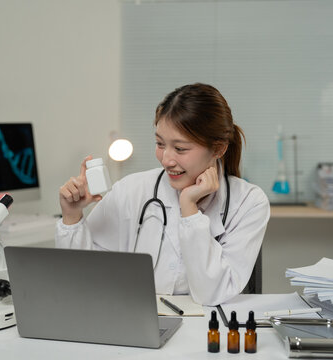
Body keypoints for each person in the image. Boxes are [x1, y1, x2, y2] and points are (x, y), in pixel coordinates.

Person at [56, 83, 270, 305]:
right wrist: (72, 217)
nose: (166, 159)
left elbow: (211, 294)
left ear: (218, 149)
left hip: (208, 331)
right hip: (137, 325)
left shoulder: (249, 202)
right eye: (160, 143)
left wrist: (189, 208)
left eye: (180, 149)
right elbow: (80, 279)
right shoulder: (131, 190)